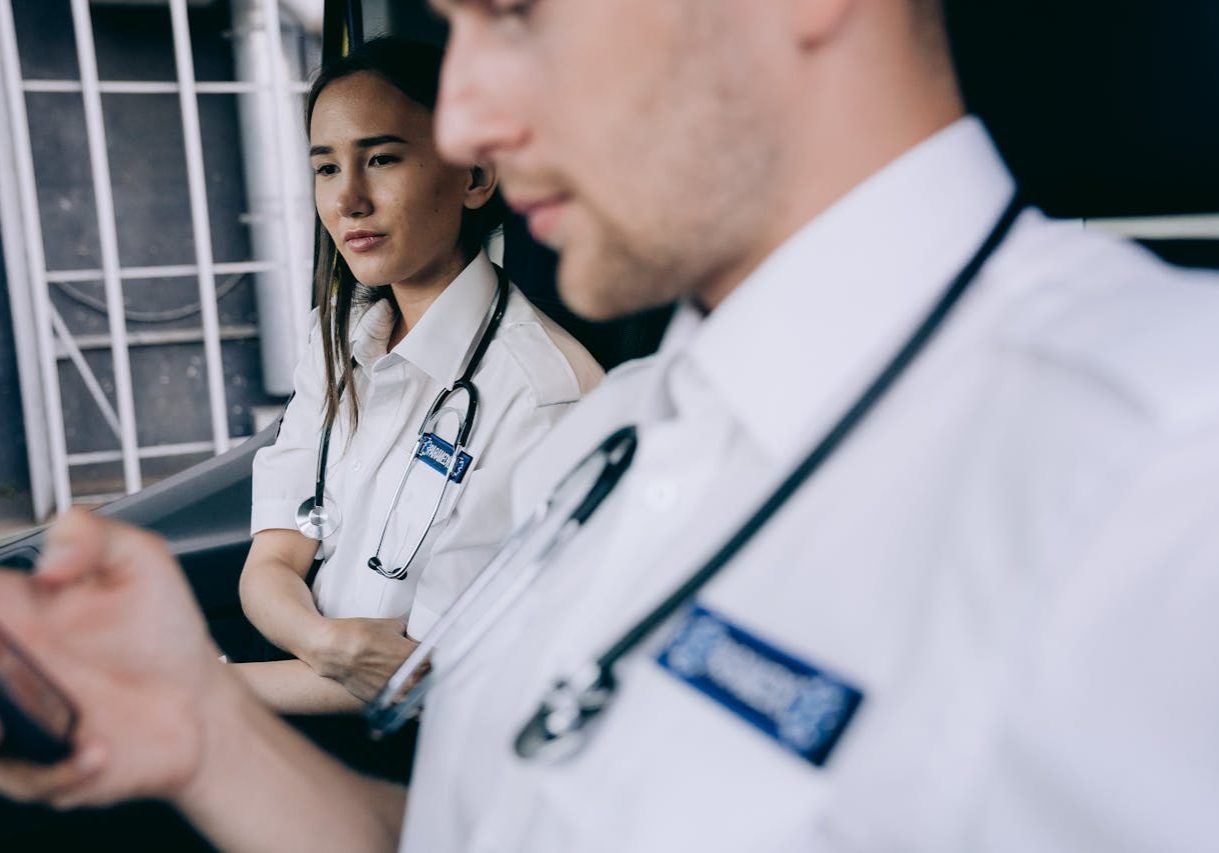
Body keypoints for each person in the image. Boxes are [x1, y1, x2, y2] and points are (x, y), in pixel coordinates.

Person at [3, 1, 1219, 851]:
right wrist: (201, 733)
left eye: (516, 11)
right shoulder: (619, 439)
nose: (466, 120)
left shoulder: (1166, 469)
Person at [232, 36, 602, 715]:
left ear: (474, 177)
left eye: (381, 159)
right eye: (325, 168)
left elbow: (425, 672)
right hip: (302, 688)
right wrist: (323, 642)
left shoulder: (542, 395)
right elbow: (274, 556)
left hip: (407, 739)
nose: (349, 199)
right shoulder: (334, 338)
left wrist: (202, 690)